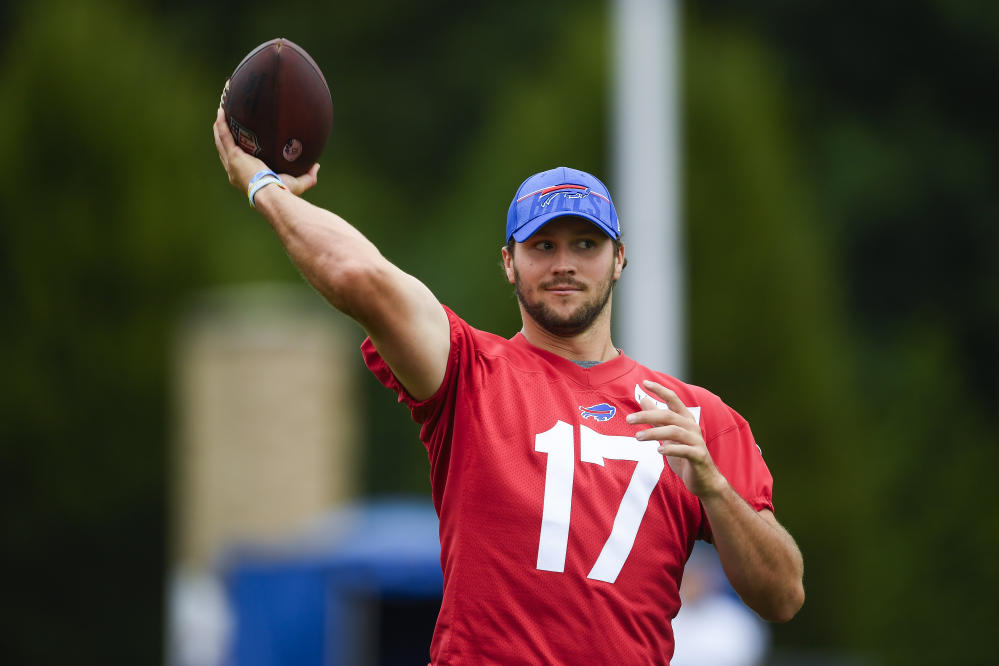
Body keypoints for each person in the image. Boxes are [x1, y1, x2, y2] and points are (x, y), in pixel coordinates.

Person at [213, 108, 805, 665]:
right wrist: (265, 189)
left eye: (586, 245)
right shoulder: (470, 372)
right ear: (508, 261)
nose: (564, 263)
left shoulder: (693, 418)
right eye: (543, 245)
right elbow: (358, 275)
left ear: (620, 258)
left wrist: (715, 490)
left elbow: (783, 595)